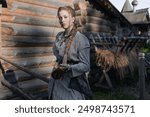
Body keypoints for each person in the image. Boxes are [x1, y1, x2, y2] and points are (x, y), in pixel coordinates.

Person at [48, 6, 92, 100]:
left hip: (73, 84)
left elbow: (86, 65)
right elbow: (57, 54)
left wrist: (69, 67)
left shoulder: (81, 39)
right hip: (58, 80)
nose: (62, 20)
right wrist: (57, 62)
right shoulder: (59, 36)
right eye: (60, 18)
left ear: (72, 19)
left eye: (65, 17)